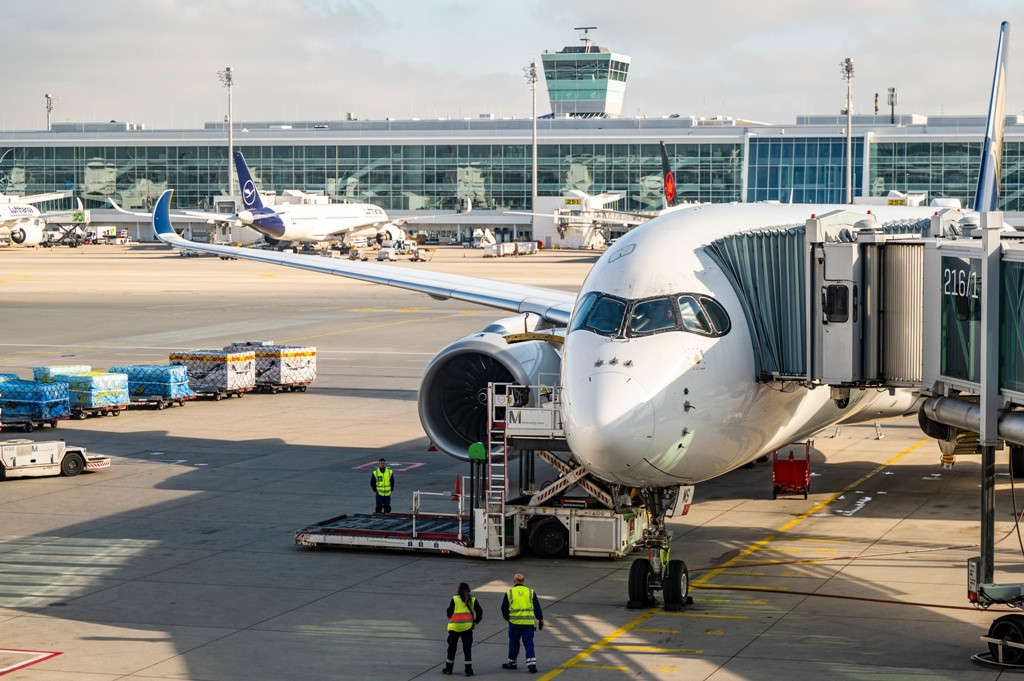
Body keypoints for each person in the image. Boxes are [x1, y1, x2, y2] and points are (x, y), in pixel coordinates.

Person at [501, 573, 544, 673]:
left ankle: (512, 663)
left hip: (514, 624)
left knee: (514, 643)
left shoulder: (509, 593)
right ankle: (532, 666)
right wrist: (540, 618)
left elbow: (504, 609)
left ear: (514, 581)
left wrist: (509, 619)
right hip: (528, 624)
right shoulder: (530, 592)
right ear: (523, 581)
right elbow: (537, 607)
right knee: (529, 644)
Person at [443, 582, 482, 676]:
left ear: (458, 590)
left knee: (452, 649)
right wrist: (475, 621)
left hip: (454, 628)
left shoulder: (455, 599)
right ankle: (468, 671)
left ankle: (449, 669)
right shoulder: (473, 599)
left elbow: (449, 612)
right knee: (467, 649)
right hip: (467, 628)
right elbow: (480, 612)